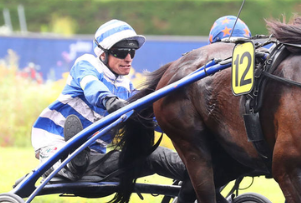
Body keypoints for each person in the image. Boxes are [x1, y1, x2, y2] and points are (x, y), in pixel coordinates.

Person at [31, 19, 186, 182]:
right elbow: (92, 87)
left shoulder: (126, 88)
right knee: (69, 157)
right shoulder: (86, 64)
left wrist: (179, 125)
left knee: (156, 156)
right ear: (102, 54)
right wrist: (110, 101)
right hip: (54, 144)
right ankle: (66, 164)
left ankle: (203, 172)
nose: (128, 58)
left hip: (95, 159)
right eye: (121, 52)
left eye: (132, 52)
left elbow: (153, 119)